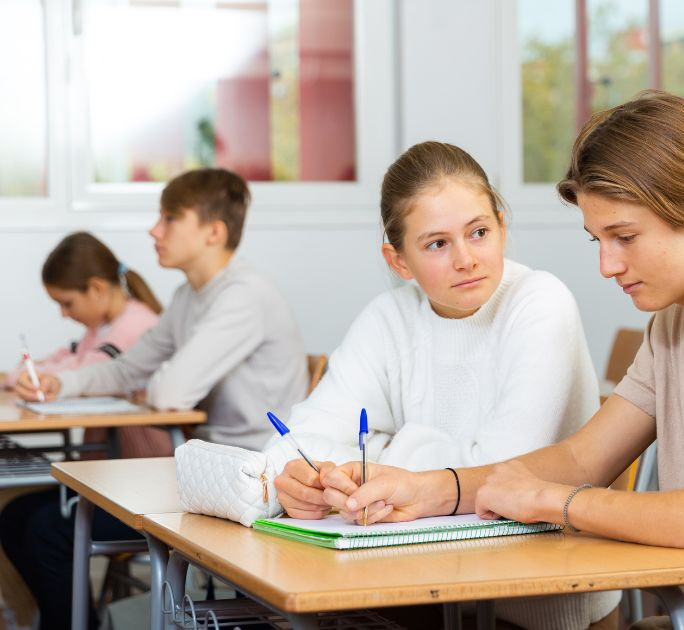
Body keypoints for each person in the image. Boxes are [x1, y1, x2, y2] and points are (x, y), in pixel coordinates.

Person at [310, 92, 684, 629]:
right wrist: (429, 489)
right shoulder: (674, 320)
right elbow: (580, 457)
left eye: (625, 237)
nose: (608, 266)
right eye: (599, 241)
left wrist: (556, 504)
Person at [266, 141, 619, 630]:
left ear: (502, 225)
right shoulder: (390, 316)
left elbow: (500, 484)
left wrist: (384, 452)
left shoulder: (540, 303)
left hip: (534, 601)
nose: (466, 259)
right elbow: (291, 442)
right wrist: (306, 478)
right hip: (411, 590)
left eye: (479, 232)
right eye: (437, 244)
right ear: (399, 261)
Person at [5, 168, 308, 630]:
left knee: (48, 528)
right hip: (206, 474)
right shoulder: (191, 296)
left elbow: (169, 392)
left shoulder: (244, 297)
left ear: (213, 232)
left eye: (169, 218)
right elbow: (129, 369)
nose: (154, 230)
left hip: (251, 484)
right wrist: (59, 385)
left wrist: (144, 380)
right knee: (21, 516)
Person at [7, 232, 170, 458]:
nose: (64, 314)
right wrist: (24, 372)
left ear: (97, 289)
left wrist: (16, 376)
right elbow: (63, 357)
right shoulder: (100, 328)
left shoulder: (134, 325)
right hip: (108, 463)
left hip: (137, 464)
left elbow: (84, 367)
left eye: (67, 303)